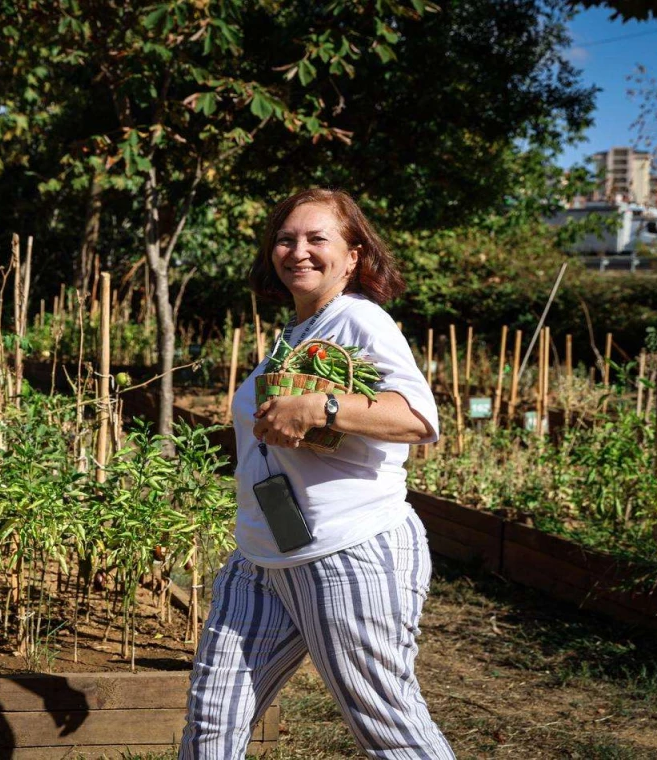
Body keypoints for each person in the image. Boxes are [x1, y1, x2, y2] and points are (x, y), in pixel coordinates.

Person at [180, 188, 455, 759]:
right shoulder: (294, 335)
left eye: (316, 238)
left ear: (353, 256)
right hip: (263, 552)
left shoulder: (359, 318)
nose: (297, 250)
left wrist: (323, 407)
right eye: (285, 239)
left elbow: (418, 418)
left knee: (385, 721)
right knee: (213, 718)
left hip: (344, 549)